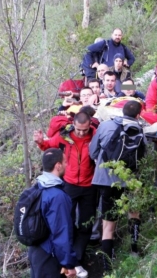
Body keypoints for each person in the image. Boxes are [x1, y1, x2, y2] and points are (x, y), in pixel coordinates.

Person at [34, 112, 97, 278]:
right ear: (73, 125)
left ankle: (77, 259)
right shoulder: (65, 137)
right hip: (69, 184)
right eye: (78, 129)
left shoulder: (95, 135)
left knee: (86, 224)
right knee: (66, 223)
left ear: (90, 125)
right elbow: (49, 146)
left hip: (89, 185)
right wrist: (41, 143)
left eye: (85, 129)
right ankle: (70, 262)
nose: (82, 133)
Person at [89, 101, 147, 272]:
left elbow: (92, 151)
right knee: (133, 213)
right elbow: (143, 158)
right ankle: (134, 249)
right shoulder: (140, 131)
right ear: (138, 115)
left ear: (121, 111)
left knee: (108, 224)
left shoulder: (106, 125)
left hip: (107, 180)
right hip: (131, 181)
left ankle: (108, 266)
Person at [28, 148, 77, 278]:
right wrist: (69, 264)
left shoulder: (37, 187)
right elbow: (61, 232)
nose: (67, 164)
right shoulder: (57, 196)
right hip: (49, 256)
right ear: (58, 165)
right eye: (65, 161)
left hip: (35, 251)